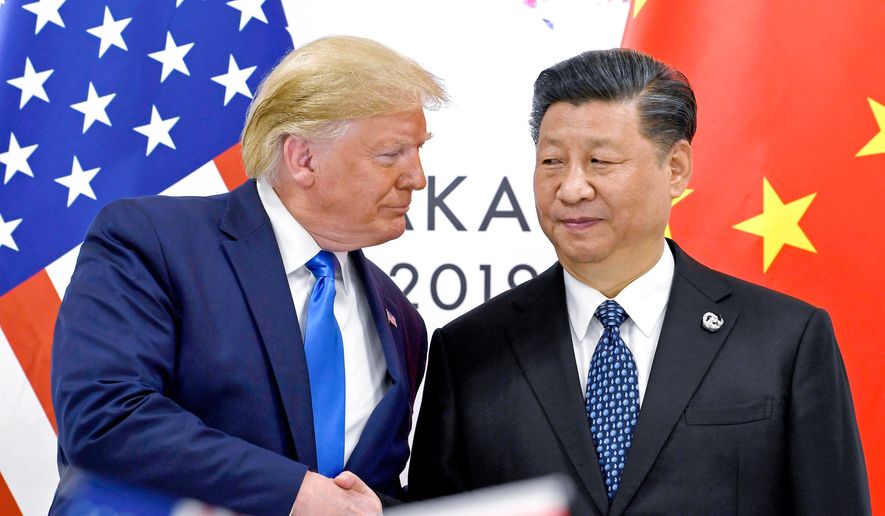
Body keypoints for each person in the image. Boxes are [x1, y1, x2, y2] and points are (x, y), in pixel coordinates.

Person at [408, 48, 870, 515]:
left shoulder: (785, 339)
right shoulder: (469, 351)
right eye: (551, 162)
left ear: (675, 169)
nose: (571, 189)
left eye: (600, 162)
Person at [51, 35, 446, 516]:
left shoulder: (401, 320)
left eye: (418, 151)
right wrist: (294, 493)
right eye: (392, 154)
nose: (417, 178)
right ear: (303, 159)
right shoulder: (152, 241)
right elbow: (106, 417)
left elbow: (362, 495)